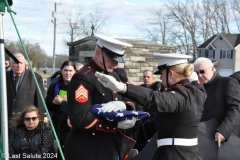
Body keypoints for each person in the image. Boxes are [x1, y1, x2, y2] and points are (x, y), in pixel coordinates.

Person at [95, 53, 207, 160]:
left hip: (174, 155)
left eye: (162, 74)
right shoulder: (196, 92)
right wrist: (128, 105)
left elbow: (155, 98)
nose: (161, 79)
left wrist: (123, 88)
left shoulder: (180, 95)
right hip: (188, 154)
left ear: (171, 73)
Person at [65, 34, 137, 160]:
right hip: (87, 149)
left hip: (109, 147)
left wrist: (127, 109)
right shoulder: (83, 78)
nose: (116, 63)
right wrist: (115, 124)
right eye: (112, 58)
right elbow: (79, 118)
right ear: (98, 54)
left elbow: (123, 101)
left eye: (118, 59)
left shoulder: (114, 76)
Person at [193, 58, 240, 146]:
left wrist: (224, 131)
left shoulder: (227, 82)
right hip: (203, 138)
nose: (199, 75)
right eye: (197, 73)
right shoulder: (197, 88)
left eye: (202, 71)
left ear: (212, 68)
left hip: (225, 140)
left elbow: (235, 109)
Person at [45, 60, 76, 156]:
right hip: (57, 123)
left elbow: (79, 106)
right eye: (66, 70)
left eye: (70, 71)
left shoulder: (79, 87)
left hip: (72, 123)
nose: (68, 73)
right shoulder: (54, 86)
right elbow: (47, 104)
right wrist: (55, 102)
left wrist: (62, 102)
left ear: (75, 72)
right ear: (61, 71)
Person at [6, 53, 45, 124]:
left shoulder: (35, 78)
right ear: (10, 64)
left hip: (27, 121)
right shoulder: (3, 77)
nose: (19, 66)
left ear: (24, 63)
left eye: (21, 63)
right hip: (6, 121)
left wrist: (40, 122)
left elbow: (40, 102)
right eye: (15, 63)